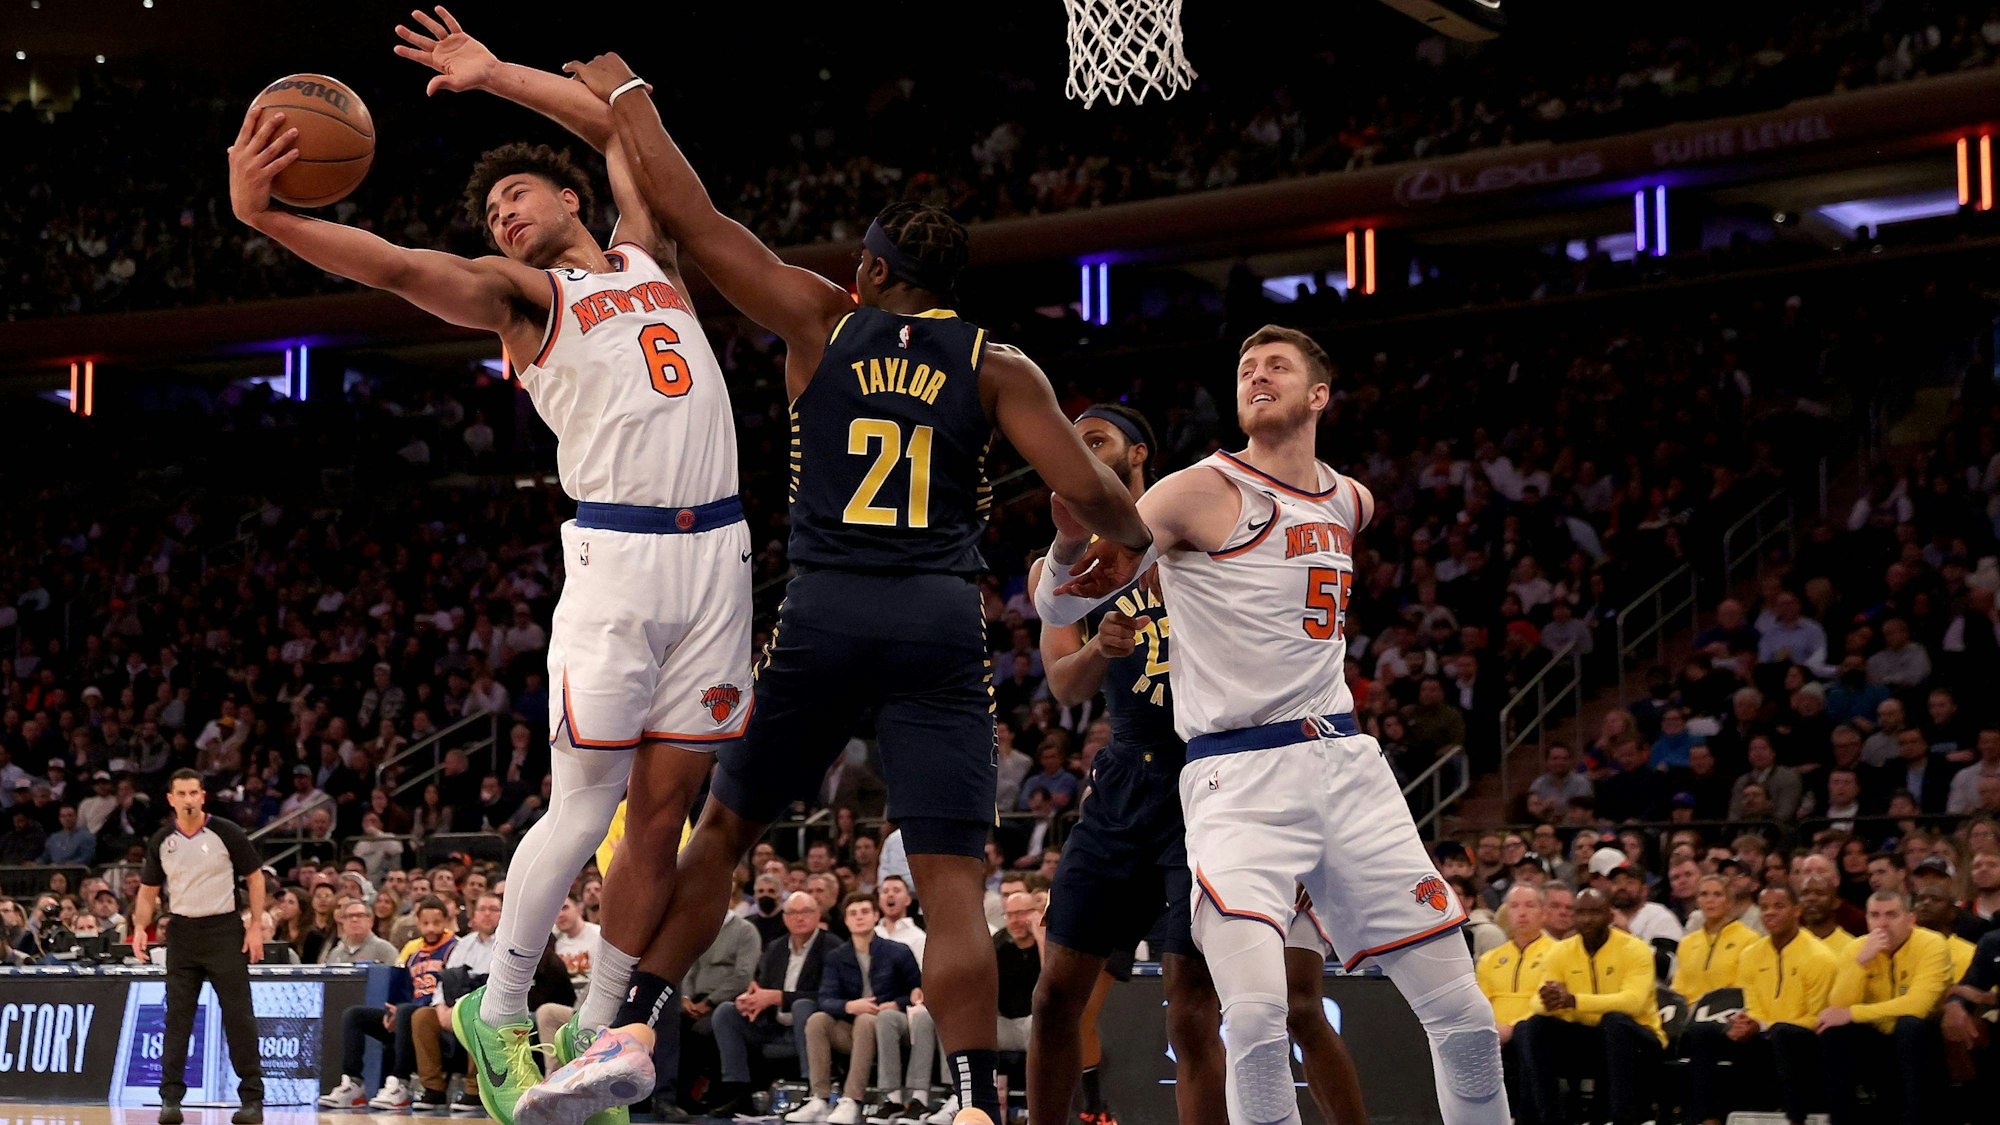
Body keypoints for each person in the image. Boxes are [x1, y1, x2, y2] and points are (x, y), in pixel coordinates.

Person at [525, 49, 1151, 1125]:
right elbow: (1096, 497)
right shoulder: (999, 366)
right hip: (937, 620)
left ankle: (628, 1030)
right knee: (953, 880)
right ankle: (967, 1105)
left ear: (867, 274)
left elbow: (686, 208)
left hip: (824, 609)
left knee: (721, 832)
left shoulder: (821, 318)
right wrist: (1119, 548)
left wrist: (631, 100)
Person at [230, 16, 757, 1125]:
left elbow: (621, 129)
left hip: (720, 555)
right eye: (490, 212)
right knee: (582, 808)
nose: (501, 214)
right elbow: (393, 265)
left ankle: (599, 1042)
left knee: (661, 813)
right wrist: (269, 214)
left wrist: (491, 78)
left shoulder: (647, 251)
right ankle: (501, 1007)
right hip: (617, 559)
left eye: (516, 196)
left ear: (570, 201)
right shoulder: (523, 301)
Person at [1034, 326, 1502, 1125]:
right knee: (1250, 1017)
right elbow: (1062, 603)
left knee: (1466, 1014)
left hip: (1347, 763)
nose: (1257, 374)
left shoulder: (1352, 497)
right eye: (1246, 367)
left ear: (1318, 395)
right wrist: (1069, 543)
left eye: (1276, 366)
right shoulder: (1192, 491)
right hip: (1234, 774)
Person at [1025, 403, 1363, 1125]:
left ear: (1138, 451)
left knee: (1192, 1009)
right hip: (1123, 780)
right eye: (1073, 441)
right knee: (1055, 991)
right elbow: (1063, 685)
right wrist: (1100, 647)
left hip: (1211, 782)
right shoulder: (1071, 563)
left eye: (1098, 440)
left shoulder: (1196, 528)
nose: (1080, 450)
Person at [128, 769, 265, 1125]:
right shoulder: (162, 839)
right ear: (171, 799)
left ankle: (252, 1100)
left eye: (194, 793)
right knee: (177, 1019)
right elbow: (148, 890)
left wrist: (254, 928)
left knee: (239, 1017)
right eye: (181, 794)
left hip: (224, 929)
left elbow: (255, 876)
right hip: (182, 932)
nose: (188, 799)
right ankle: (170, 1100)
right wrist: (140, 927)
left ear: (202, 796)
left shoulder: (225, 832)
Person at [1685, 885, 1834, 1125]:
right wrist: (1748, 1023)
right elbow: (1752, 1003)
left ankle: (1795, 1119)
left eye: (1778, 906)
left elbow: (1817, 1017)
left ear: (1797, 911)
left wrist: (1765, 1026)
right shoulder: (1751, 954)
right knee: (1703, 1031)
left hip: (1803, 1041)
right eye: (1764, 908)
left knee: (1783, 1032)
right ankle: (1708, 1119)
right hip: (1764, 1035)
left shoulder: (1820, 956)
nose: (1769, 913)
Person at [1515, 889, 1663, 1125]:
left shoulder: (1636, 949)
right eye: (1581, 913)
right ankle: (1549, 1118)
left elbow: (1633, 1002)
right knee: (1532, 1026)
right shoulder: (1560, 951)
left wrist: (1573, 1001)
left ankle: (1621, 1118)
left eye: (1594, 912)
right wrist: (1550, 1000)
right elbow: (1536, 1003)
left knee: (1614, 1021)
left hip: (1640, 1041)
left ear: (1610, 915)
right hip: (1592, 1041)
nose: (1587, 920)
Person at [1815, 890, 1954, 1125]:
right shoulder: (1857, 949)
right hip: (1877, 1037)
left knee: (1910, 1025)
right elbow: (1837, 1006)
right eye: (1875, 915)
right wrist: (1860, 963)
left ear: (1910, 919)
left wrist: (1853, 1013)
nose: (1882, 923)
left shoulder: (1932, 944)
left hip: (1922, 1040)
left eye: (1891, 915)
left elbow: (1917, 1005)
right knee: (1833, 1033)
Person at [791, 895, 923, 1124]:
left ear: (875, 916)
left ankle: (852, 1099)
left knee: (866, 1020)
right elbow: (825, 998)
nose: (859, 917)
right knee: (817, 1020)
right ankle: (819, 1099)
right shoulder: (837, 956)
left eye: (864, 912)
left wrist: (896, 1004)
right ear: (846, 921)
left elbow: (917, 991)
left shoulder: (898, 951)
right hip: (853, 1028)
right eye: (853, 913)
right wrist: (849, 1005)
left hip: (889, 1028)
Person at [321, 897, 458, 1111]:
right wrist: (393, 1008)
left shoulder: (455, 948)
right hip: (408, 1016)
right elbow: (404, 989)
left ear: (446, 922)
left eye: (437, 923)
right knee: (354, 1015)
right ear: (418, 923)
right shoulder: (413, 952)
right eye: (425, 923)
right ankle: (353, 1084)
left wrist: (404, 1009)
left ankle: (399, 1084)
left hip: (436, 1020)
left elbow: (453, 990)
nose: (431, 928)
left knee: (407, 1011)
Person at [703, 892, 829, 1118]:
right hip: (772, 1025)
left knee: (802, 1006)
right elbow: (762, 987)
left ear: (818, 915)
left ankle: (812, 1093)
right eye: (792, 912)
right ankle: (738, 1091)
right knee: (726, 1012)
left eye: (806, 912)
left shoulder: (831, 947)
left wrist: (778, 997)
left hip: (813, 1027)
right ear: (784, 917)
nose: (799, 918)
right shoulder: (776, 948)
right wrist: (751, 1001)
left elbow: (828, 997)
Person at [1475, 885, 1553, 1125]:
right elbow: (1480, 1003)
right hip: (1494, 1032)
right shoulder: (1491, 959)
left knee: (1529, 1037)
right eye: (1515, 906)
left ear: (1543, 913)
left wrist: (1514, 1027)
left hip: (1535, 1031)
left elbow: (1548, 1001)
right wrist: (1493, 1027)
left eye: (1530, 906)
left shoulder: (1558, 953)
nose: (1522, 913)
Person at [1671, 875, 1755, 1000]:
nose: (1710, 900)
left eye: (1717, 894)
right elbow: (1678, 989)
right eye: (1704, 894)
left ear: (1730, 902)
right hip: (1688, 1015)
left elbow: (1744, 988)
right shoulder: (1687, 942)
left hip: (1727, 1012)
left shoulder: (1749, 939)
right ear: (1698, 901)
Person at [320, 897, 399, 965]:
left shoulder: (385, 950)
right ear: (343, 923)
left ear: (370, 922)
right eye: (349, 916)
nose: (354, 920)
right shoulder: (335, 953)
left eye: (360, 915)